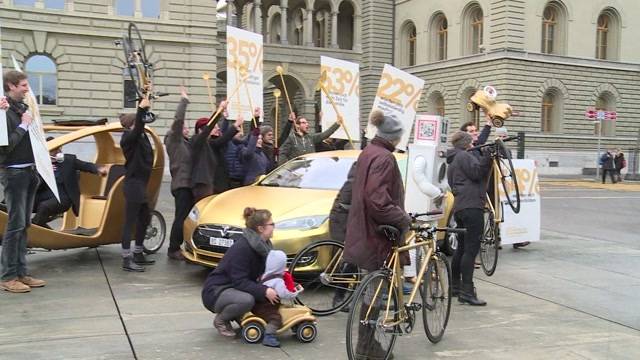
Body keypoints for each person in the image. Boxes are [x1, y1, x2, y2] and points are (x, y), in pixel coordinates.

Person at [344, 110, 411, 359]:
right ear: (395, 137)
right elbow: (378, 200)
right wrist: (402, 218)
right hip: (377, 235)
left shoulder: (369, 152)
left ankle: (367, 345)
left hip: (365, 230)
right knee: (374, 294)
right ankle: (367, 347)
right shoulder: (384, 157)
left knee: (372, 291)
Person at [201, 207, 279, 337]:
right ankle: (221, 320)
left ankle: (240, 315)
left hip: (232, 288)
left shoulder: (262, 246)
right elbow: (240, 281)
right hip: (216, 291)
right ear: (261, 229)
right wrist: (264, 291)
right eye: (272, 224)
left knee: (258, 296)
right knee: (247, 300)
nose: (274, 227)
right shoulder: (243, 248)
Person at [0, 70, 45, 293]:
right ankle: (7, 277)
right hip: (14, 174)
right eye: (24, 85)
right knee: (15, 226)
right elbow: (6, 147)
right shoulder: (5, 113)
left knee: (24, 225)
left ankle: (21, 272)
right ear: (11, 86)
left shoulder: (20, 109)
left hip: (28, 172)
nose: (28, 89)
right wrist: (23, 125)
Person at [446, 131, 492, 306]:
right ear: (466, 144)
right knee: (471, 250)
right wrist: (487, 158)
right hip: (472, 206)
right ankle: (467, 290)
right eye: (472, 143)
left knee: (462, 248)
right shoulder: (464, 156)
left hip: (461, 206)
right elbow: (477, 173)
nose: (473, 146)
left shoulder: (453, 161)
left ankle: (455, 287)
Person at [32, 137, 107, 228]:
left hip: (63, 196)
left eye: (59, 149)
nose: (58, 152)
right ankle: (38, 228)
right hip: (44, 194)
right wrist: (44, 172)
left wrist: (99, 169)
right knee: (19, 203)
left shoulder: (69, 160)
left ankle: (33, 226)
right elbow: (33, 184)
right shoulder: (38, 164)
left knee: (44, 206)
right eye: (53, 151)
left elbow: (87, 166)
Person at [119, 95, 157, 272]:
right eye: (139, 122)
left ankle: (139, 253)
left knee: (144, 219)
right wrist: (141, 109)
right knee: (130, 222)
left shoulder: (141, 136)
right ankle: (126, 259)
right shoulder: (128, 137)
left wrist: (146, 107)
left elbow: (145, 124)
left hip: (141, 185)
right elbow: (138, 127)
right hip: (133, 185)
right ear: (132, 124)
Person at [190, 101, 242, 202]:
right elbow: (209, 129)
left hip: (211, 182)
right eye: (214, 128)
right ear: (201, 130)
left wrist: (235, 126)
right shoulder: (196, 140)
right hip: (202, 183)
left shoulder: (210, 143)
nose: (217, 130)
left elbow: (222, 139)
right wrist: (219, 111)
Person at [163, 86, 193, 260]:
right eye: (185, 127)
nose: (187, 129)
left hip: (187, 184)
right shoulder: (174, 140)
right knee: (180, 217)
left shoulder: (185, 143)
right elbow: (178, 120)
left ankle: (181, 246)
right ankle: (173, 248)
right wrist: (184, 101)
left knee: (185, 217)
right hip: (181, 184)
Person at [253, 250, 303, 347]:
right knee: (276, 319)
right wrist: (296, 292)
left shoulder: (264, 275)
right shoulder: (277, 281)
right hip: (265, 307)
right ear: (281, 266)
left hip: (258, 304)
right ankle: (269, 336)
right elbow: (285, 294)